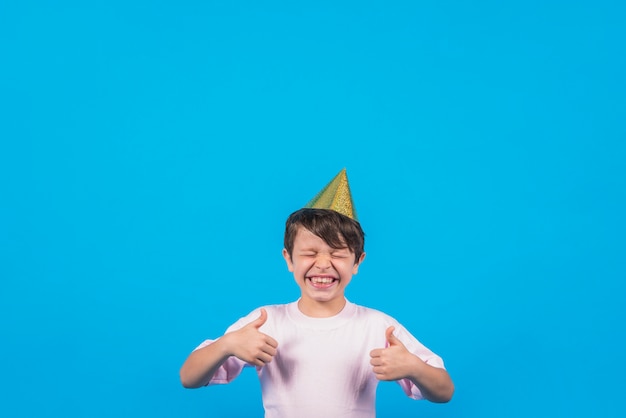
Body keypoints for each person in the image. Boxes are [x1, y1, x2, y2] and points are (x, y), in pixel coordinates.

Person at [180, 169, 454, 418]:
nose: (323, 264)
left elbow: (444, 392)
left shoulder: (378, 326)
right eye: (310, 253)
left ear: (357, 262)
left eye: (337, 254)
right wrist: (227, 345)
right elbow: (189, 377)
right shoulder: (266, 321)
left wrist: (415, 368)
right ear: (289, 259)